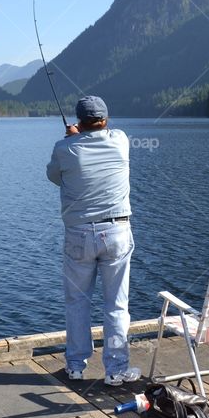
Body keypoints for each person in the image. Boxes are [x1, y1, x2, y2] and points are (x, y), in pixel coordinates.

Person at [46, 95, 140, 386]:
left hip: (79, 235)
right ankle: (116, 370)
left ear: (79, 121)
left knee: (77, 301)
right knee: (116, 305)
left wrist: (72, 140)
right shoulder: (121, 140)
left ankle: (75, 366)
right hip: (117, 232)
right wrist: (81, 137)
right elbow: (100, 136)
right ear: (106, 119)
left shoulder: (64, 149)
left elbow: (54, 177)